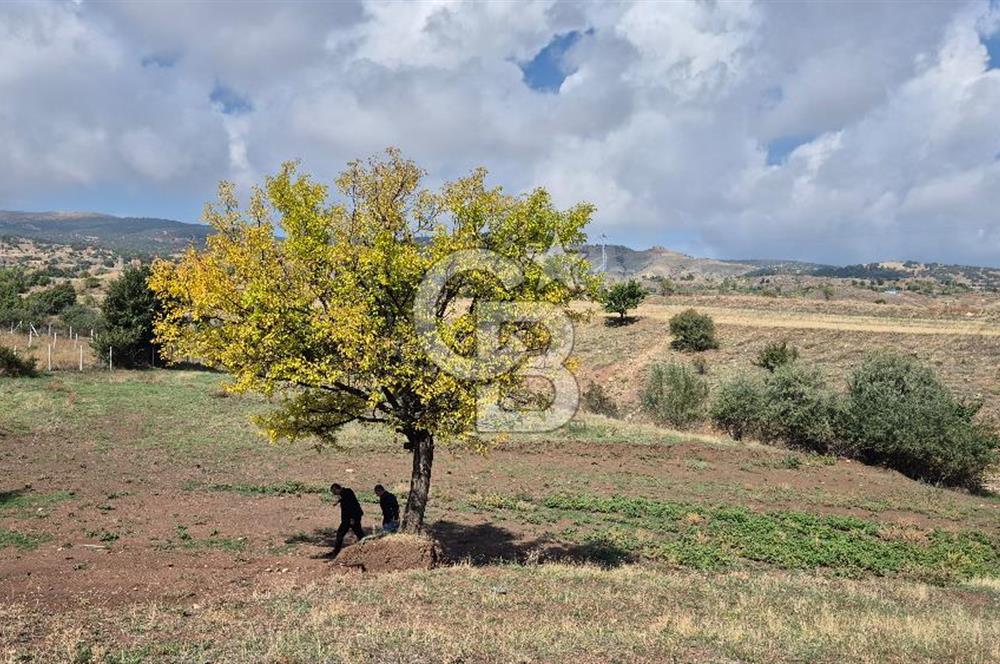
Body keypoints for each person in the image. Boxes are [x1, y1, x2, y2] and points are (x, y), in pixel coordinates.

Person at [329, 483, 365, 558]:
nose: (334, 494)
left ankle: (336, 552)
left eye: (334, 492)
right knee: (359, 533)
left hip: (350, 518)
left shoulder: (346, 493)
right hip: (352, 517)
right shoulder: (346, 492)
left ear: (336, 489)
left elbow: (351, 506)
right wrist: (338, 501)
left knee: (340, 533)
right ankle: (367, 546)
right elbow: (346, 499)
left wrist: (352, 519)